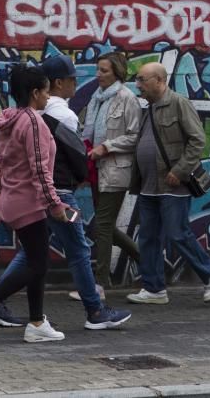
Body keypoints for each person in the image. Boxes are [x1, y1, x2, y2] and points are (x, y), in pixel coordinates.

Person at [0, 55, 132, 331]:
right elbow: (72, 154)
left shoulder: (17, 115)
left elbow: (2, 161)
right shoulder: (59, 114)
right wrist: (73, 184)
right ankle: (94, 310)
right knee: (77, 248)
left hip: (32, 194)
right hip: (58, 193)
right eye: (71, 79)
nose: (75, 84)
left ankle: (3, 305)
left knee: (33, 252)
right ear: (55, 83)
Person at [0, 65, 70, 342]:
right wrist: (55, 203)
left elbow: (0, 164)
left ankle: (36, 324)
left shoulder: (9, 119)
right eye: (46, 91)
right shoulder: (33, 122)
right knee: (38, 264)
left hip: (14, 199)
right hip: (28, 201)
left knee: (37, 261)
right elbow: (39, 168)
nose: (48, 97)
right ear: (35, 92)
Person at [126, 62, 210, 305]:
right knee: (148, 237)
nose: (138, 85)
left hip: (173, 185)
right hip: (149, 185)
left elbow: (197, 140)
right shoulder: (149, 108)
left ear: (159, 81)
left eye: (142, 80)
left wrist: (180, 171)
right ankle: (154, 289)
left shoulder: (178, 103)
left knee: (176, 233)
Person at [81, 52, 142, 293]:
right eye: (97, 70)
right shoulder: (96, 99)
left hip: (116, 171)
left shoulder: (127, 98)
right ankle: (148, 262)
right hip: (96, 169)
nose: (98, 75)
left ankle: (100, 283)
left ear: (117, 72)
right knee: (105, 226)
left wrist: (106, 147)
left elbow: (134, 136)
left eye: (104, 71)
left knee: (102, 226)